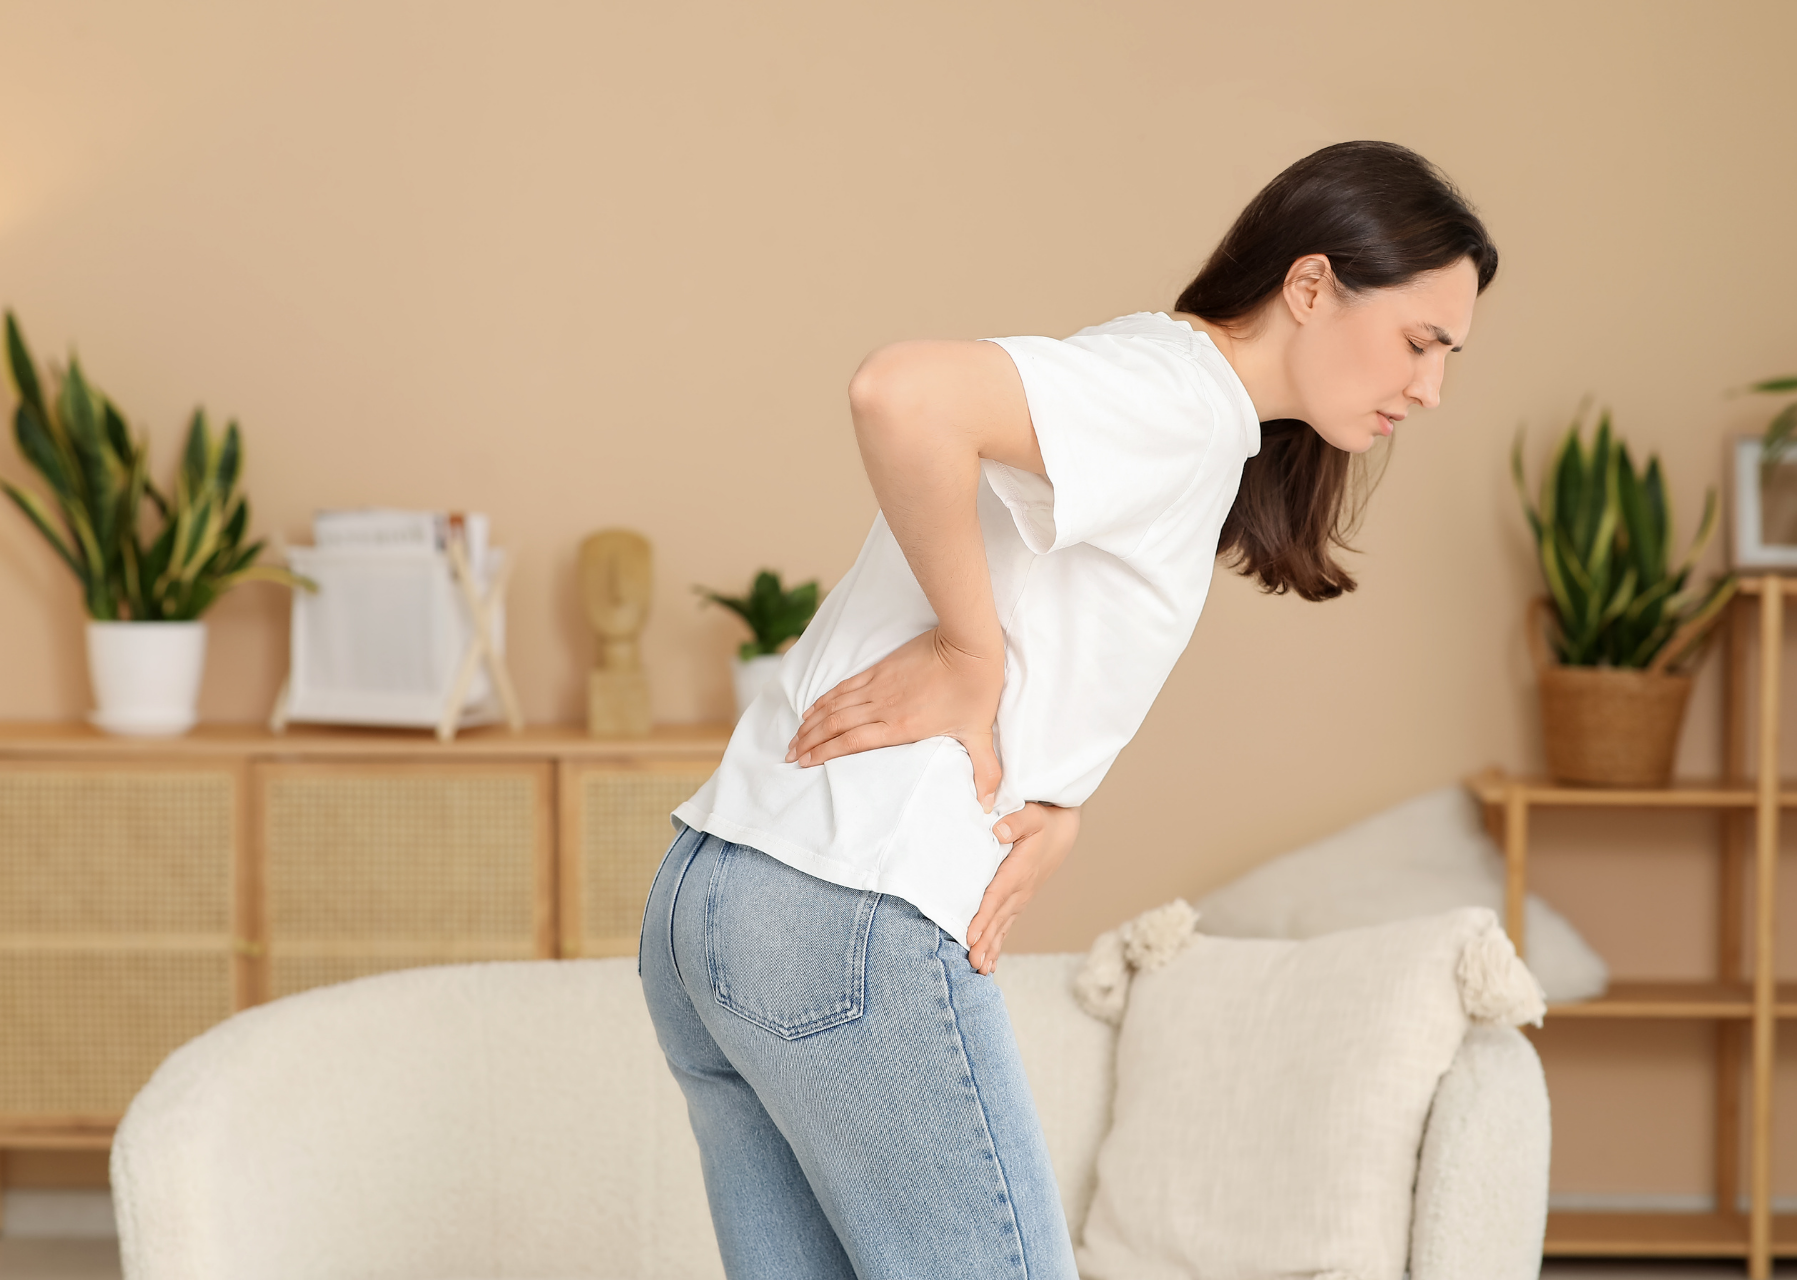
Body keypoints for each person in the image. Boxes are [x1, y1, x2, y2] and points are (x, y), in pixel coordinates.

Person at [639, 140, 1499, 1280]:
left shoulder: (1177, 399)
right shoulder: (1177, 396)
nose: (1431, 387)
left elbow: (1059, 605)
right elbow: (902, 393)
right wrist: (967, 654)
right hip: (845, 903)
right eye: (1420, 341)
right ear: (1309, 286)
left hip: (714, 896)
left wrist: (1057, 794)